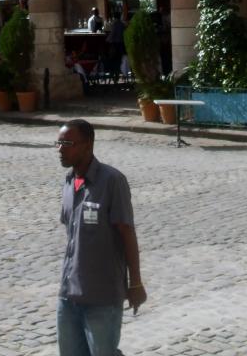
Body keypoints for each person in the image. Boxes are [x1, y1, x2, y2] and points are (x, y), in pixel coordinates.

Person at [55, 119, 146, 356]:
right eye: (58, 143)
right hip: (68, 295)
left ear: (88, 145)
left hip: (102, 297)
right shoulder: (68, 182)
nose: (60, 149)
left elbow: (127, 233)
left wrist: (135, 283)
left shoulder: (112, 181)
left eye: (67, 143)